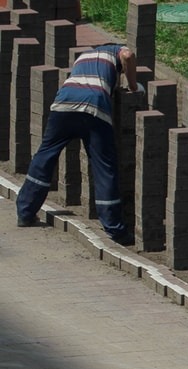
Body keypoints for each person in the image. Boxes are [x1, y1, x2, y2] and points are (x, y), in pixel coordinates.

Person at [16, 44, 140, 245]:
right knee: (104, 167)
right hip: (94, 107)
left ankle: (25, 212)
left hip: (64, 102)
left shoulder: (84, 57)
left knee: (45, 156)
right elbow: (128, 55)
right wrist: (134, 86)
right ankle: (116, 231)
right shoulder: (117, 50)